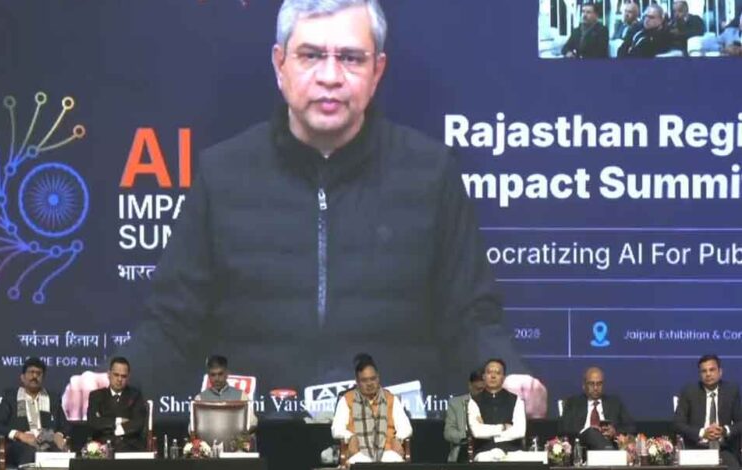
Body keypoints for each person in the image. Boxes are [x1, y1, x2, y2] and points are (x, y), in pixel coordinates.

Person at [63, 0, 546, 421]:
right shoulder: (222, 174)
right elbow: (171, 325)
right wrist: (116, 383)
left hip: (396, 444)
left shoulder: (431, 173)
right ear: (280, 64)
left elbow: (471, 318)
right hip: (255, 443)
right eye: (311, 55)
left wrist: (507, 379)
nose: (330, 76)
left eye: (350, 58)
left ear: (377, 71)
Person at [331, 355, 412, 463]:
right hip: (359, 452)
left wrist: (398, 439)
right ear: (357, 381)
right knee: (358, 463)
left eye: (373, 379)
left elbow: (406, 427)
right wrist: (351, 437)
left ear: (378, 378)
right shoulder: (346, 400)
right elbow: (336, 429)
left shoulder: (391, 399)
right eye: (364, 380)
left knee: (394, 461)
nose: (369, 384)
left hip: (387, 451)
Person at [0, 357, 70, 467]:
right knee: (30, 451)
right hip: (20, 444)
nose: (34, 376)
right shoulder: (11, 398)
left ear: (43, 378)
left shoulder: (52, 398)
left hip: (47, 442)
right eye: (31, 372)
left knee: (60, 452)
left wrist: (59, 434)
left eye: (38, 373)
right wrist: (20, 435)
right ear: (22, 377)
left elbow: (65, 426)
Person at [674, 354, 742, 470]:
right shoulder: (689, 392)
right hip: (696, 449)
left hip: (724, 449)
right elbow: (677, 424)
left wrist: (724, 431)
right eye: (704, 371)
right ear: (700, 374)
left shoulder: (731, 391)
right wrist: (702, 433)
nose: (708, 374)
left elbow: (740, 423)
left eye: (712, 370)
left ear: (720, 372)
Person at [558, 367, 635, 450]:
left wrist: (614, 431)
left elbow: (631, 427)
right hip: (582, 445)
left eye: (599, 384)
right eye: (591, 384)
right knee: (592, 432)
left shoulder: (615, 403)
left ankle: (607, 452)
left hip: (610, 443)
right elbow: (563, 428)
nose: (595, 388)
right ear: (584, 385)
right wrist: (588, 430)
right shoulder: (573, 403)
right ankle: (609, 454)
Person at [467, 359, 526, 461]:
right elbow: (477, 432)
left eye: (498, 373)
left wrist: (491, 433)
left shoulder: (516, 400)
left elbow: (520, 431)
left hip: (512, 451)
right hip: (484, 452)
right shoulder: (474, 401)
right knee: (484, 458)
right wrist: (503, 427)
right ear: (484, 377)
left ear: (503, 378)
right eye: (489, 372)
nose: (493, 376)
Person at [87, 357, 148, 451]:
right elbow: (93, 422)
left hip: (128, 448)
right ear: (108, 374)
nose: (119, 379)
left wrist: (112, 428)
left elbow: (138, 423)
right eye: (116, 375)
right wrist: (118, 421)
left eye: (123, 376)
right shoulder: (96, 396)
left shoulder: (135, 395)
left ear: (128, 377)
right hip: (102, 448)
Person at [194, 355, 257, 429]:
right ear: (209, 376)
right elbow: (192, 427)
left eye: (220, 374)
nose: (217, 379)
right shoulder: (199, 399)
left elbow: (252, 422)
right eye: (213, 375)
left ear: (227, 374)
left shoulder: (241, 396)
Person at [444, 368, 486, 462]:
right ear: (470, 386)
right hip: (464, 448)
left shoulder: (493, 403)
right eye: (478, 389)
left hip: (488, 447)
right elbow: (449, 433)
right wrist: (469, 436)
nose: (481, 393)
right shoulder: (455, 404)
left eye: (484, 390)